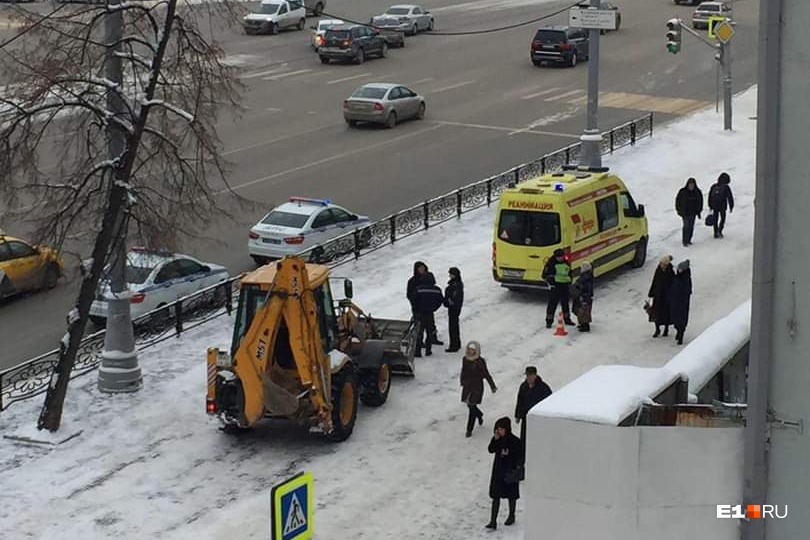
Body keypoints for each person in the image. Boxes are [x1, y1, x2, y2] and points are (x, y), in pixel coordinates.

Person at [486, 417, 523, 530]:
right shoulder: (498, 440)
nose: (499, 431)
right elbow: (491, 449)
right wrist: (495, 439)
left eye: (501, 429)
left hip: (510, 471)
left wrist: (517, 468)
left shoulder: (515, 441)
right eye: (498, 429)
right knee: (495, 496)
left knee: (511, 495)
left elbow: (520, 456)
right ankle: (493, 520)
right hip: (498, 471)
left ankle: (511, 515)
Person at [514, 366, 552, 460]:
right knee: (524, 439)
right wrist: (518, 415)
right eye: (527, 375)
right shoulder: (523, 386)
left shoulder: (543, 388)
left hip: (538, 419)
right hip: (526, 418)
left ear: (535, 375)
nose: (528, 378)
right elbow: (520, 400)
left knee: (536, 439)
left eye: (530, 375)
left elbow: (550, 402)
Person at [460, 341, 496, 438]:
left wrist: (492, 386)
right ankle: (479, 414)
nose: (471, 352)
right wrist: (462, 381)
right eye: (469, 350)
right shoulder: (465, 359)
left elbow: (486, 374)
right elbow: (463, 371)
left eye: (473, 350)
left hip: (477, 387)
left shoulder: (480, 362)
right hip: (468, 387)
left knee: (472, 407)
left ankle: (469, 429)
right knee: (470, 405)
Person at [543, 248, 575, 328]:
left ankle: (567, 319)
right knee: (552, 304)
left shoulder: (566, 263)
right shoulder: (550, 264)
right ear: (555, 257)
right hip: (555, 287)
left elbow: (569, 273)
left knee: (565, 303)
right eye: (559, 257)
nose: (561, 258)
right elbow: (544, 275)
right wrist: (551, 282)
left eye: (562, 256)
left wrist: (570, 280)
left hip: (564, 286)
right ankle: (549, 321)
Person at [414, 276, 444, 357]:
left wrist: (416, 310)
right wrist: (434, 308)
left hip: (420, 314)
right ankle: (428, 350)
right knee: (429, 332)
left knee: (419, 333)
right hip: (430, 313)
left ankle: (418, 351)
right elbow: (440, 301)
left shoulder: (419, 289)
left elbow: (414, 300)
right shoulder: (437, 290)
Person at [648, 255, 675, 338]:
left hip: (666, 297)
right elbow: (654, 281)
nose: (660, 265)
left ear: (666, 264)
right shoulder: (658, 270)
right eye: (660, 263)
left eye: (662, 263)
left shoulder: (670, 272)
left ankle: (666, 329)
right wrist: (651, 292)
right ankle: (657, 329)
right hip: (658, 296)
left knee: (666, 314)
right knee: (656, 313)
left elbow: (672, 284)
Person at [669, 259, 693, 345]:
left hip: (682, 303)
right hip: (675, 302)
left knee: (681, 320)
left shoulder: (686, 279)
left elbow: (687, 291)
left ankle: (680, 335)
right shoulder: (677, 277)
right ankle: (678, 332)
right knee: (675, 319)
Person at [675, 177, 704, 247]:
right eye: (690, 184)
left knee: (691, 227)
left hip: (693, 213)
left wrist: (699, 210)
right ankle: (684, 240)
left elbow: (700, 202)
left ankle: (689, 240)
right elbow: (677, 201)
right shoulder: (682, 191)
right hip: (685, 213)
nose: (691, 186)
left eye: (692, 185)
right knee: (686, 226)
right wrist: (678, 209)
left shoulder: (697, 192)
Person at [443, 267, 464, 353]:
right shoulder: (456, 284)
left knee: (453, 327)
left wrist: (448, 302)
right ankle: (456, 344)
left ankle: (454, 345)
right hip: (455, 308)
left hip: (454, 308)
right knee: (454, 326)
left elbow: (454, 298)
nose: (449, 275)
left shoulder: (456, 285)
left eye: (451, 274)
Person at [708, 172, 735, 239]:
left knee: (715, 219)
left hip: (714, 206)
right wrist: (731, 206)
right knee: (722, 219)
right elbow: (730, 197)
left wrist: (710, 205)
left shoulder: (714, 186)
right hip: (722, 206)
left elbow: (710, 196)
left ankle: (715, 232)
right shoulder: (726, 187)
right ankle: (719, 231)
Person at [571, 261, 594, 332]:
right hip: (585, 297)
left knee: (583, 312)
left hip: (583, 297)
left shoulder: (585, 278)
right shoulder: (588, 276)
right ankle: (583, 325)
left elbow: (585, 288)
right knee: (584, 312)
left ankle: (584, 326)